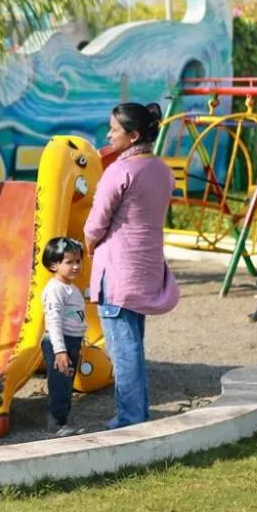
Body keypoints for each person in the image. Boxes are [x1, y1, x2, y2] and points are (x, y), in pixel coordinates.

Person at [82, 101, 180, 430]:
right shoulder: (162, 170)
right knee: (133, 345)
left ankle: (131, 419)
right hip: (146, 267)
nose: (109, 134)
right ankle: (139, 413)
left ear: (133, 135)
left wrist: (89, 244)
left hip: (118, 271)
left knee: (123, 350)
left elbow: (96, 224)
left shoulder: (120, 171)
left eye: (114, 129)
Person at [39, 236, 87, 435]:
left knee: (66, 383)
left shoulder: (70, 288)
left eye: (78, 261)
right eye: (69, 262)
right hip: (60, 343)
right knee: (60, 384)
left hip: (71, 342)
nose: (75, 266)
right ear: (54, 265)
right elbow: (54, 321)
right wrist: (60, 351)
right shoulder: (54, 290)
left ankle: (64, 419)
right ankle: (55, 424)